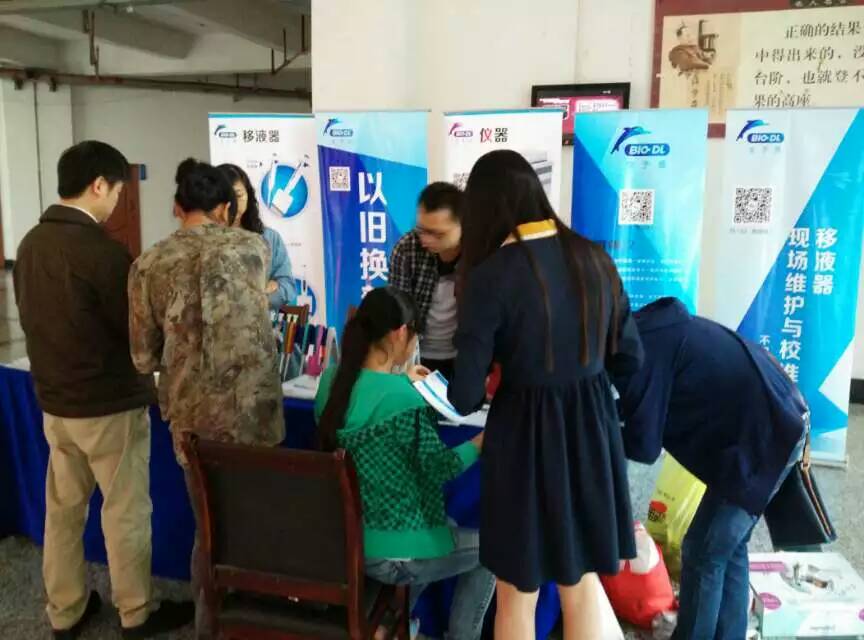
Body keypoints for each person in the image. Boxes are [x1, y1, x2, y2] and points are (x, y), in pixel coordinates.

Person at [447, 150, 643, 640]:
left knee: (518, 591)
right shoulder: (594, 257)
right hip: (593, 432)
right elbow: (631, 358)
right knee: (581, 581)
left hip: (524, 442)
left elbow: (464, 395)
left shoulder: (491, 276)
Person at [13, 141, 193, 639]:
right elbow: (136, 334)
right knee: (125, 511)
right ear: (98, 185)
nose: (116, 202)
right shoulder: (103, 253)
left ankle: (64, 610)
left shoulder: (29, 244)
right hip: (109, 406)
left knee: (63, 512)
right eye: (116, 191)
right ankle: (136, 611)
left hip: (55, 404)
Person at [128, 158, 285, 639]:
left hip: (193, 423)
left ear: (177, 207)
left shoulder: (147, 264)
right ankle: (262, 621)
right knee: (258, 520)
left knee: (209, 526)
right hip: (256, 417)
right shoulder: (254, 248)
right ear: (224, 209)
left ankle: (209, 626)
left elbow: (142, 356)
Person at [610, 297, 808, 640]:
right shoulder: (644, 334)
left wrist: (595, 431)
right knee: (727, 548)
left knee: (703, 551)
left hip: (764, 436)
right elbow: (641, 407)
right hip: (773, 422)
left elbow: (644, 445)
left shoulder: (641, 354)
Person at [315, 287, 495, 640]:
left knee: (447, 524)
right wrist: (480, 443)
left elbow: (369, 392)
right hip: (394, 552)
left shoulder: (330, 383)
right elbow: (441, 468)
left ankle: (390, 622)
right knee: (496, 548)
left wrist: (402, 378)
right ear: (400, 333)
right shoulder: (404, 400)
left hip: (350, 541)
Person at [390, 182, 464, 380]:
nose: (426, 240)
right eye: (422, 229)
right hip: (417, 357)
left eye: (437, 234)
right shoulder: (407, 249)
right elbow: (399, 314)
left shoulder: (479, 255)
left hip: (464, 357)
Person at [218, 163, 297, 310]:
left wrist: (266, 295)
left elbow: (287, 287)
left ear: (248, 195)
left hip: (258, 320)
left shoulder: (269, 237)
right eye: (225, 198)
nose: (233, 204)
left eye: (238, 196)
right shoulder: (207, 239)